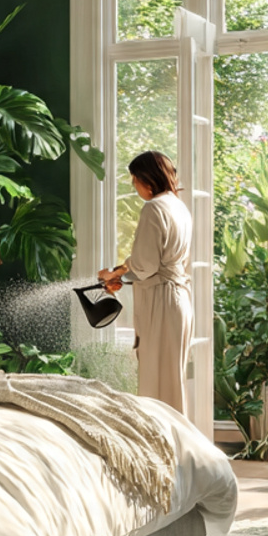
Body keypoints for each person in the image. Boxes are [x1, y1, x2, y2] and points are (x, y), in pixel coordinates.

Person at [98, 150, 192, 415]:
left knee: (155, 384)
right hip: (179, 300)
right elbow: (158, 259)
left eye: (134, 180)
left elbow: (146, 265)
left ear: (146, 180)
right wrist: (120, 272)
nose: (134, 186)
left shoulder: (153, 208)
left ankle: (161, 446)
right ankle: (177, 447)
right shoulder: (178, 206)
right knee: (172, 381)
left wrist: (117, 277)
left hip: (161, 303)